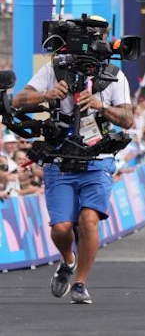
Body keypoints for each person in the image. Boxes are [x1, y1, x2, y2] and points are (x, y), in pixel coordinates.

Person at [13, 23, 133, 305]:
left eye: (97, 36)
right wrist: (47, 94)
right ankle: (68, 261)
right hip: (60, 160)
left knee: (89, 220)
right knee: (61, 229)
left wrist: (100, 105)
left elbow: (128, 119)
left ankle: (80, 282)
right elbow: (19, 99)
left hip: (98, 159)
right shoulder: (54, 69)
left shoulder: (114, 76)